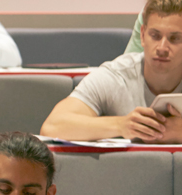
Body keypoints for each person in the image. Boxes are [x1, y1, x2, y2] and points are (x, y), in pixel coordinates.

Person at [41, 0, 182, 144]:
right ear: (142, 35)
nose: (162, 48)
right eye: (155, 36)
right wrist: (121, 125)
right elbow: (52, 126)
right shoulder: (116, 76)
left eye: (175, 38)